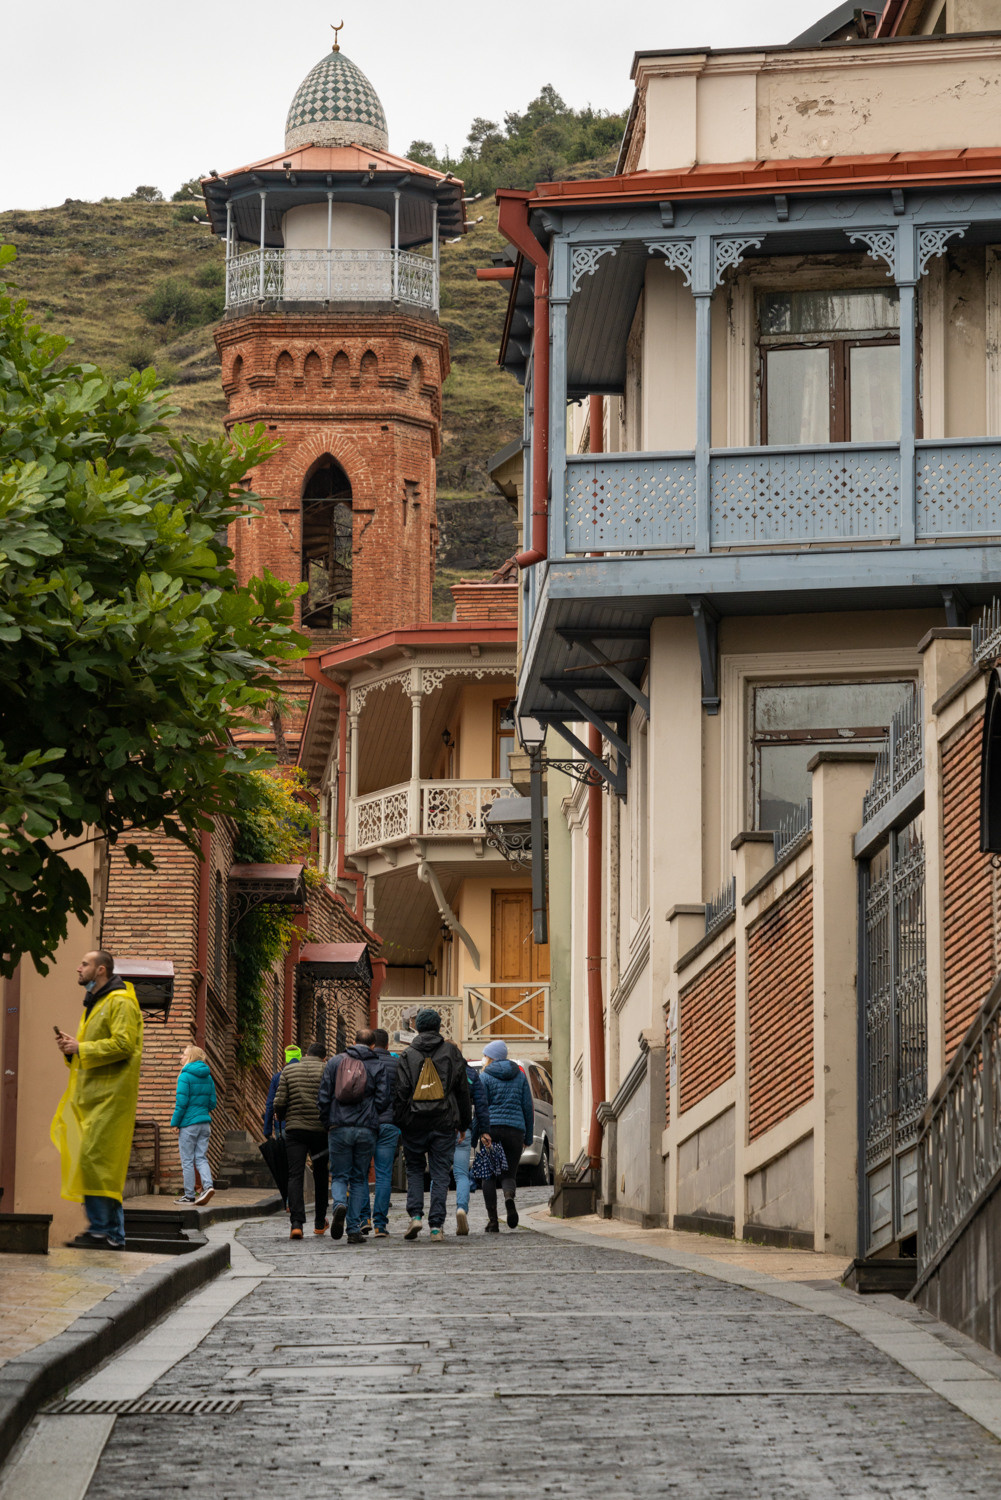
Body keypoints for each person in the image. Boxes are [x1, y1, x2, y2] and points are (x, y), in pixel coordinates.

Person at [50, 950, 143, 1251]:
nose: (78, 968)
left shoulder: (120, 1003)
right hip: (92, 1097)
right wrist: (71, 1050)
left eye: (84, 964)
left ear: (101, 970)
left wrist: (81, 1047)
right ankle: (108, 1233)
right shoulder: (97, 1004)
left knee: (98, 1161)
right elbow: (89, 1052)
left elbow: (124, 1045)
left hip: (110, 1097)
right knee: (92, 1162)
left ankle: (105, 1232)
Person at [393, 1007, 471, 1243]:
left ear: (417, 1027)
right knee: (440, 1175)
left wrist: (401, 1122)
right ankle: (436, 1226)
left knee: (415, 1170)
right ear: (438, 1027)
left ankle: (415, 1215)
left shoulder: (408, 1055)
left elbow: (400, 1092)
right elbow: (462, 1090)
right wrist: (463, 1123)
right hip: (443, 1122)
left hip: (414, 1123)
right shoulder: (451, 1052)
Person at [318, 1028, 389, 1246]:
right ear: (372, 1044)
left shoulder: (335, 1062)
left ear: (354, 1041)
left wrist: (327, 1121)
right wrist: (371, 1114)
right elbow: (383, 1099)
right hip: (366, 1129)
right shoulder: (377, 1064)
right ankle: (354, 1229)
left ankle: (340, 1203)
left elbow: (323, 1095)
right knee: (359, 1178)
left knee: (339, 1175)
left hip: (339, 1126)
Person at [274, 1040, 329, 1241]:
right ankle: (320, 1222)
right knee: (321, 1174)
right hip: (320, 1130)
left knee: (294, 1174)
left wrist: (281, 1115)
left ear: (306, 1055)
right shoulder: (327, 1069)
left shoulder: (289, 1071)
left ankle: (296, 1224)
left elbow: (279, 1101)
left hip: (295, 1129)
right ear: (324, 1058)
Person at [479, 1040, 533, 1232]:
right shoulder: (519, 1075)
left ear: (491, 1057)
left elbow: (481, 1107)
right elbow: (528, 1107)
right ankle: (509, 1197)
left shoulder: (485, 1076)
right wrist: (528, 1137)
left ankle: (493, 1221)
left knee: (489, 1176)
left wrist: (480, 1131)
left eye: (485, 1055)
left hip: (492, 1129)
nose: (484, 1058)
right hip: (515, 1131)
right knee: (509, 1173)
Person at [170, 1044, 217, 1207]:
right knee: (201, 1157)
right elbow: (213, 1103)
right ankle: (208, 1186)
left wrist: (175, 1123)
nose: (180, 1057)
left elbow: (181, 1102)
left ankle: (189, 1195)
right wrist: (201, 1109)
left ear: (191, 1057)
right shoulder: (208, 1077)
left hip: (189, 1124)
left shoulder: (185, 1075)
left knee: (188, 1160)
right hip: (205, 1124)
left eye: (183, 1054)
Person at [367, 1028, 401, 1238]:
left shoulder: (362, 1064)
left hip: (365, 1124)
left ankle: (363, 1219)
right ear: (387, 1045)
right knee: (383, 1175)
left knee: (360, 1174)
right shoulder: (397, 1065)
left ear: (371, 1045)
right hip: (389, 1124)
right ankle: (380, 1224)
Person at [453, 1059, 491, 1237]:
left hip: (440, 1129)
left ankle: (436, 1221)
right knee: (461, 1174)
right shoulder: (470, 1074)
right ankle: (461, 1209)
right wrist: (484, 1130)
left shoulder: (436, 1068)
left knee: (438, 1174)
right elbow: (481, 1105)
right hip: (463, 1129)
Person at [264, 1045, 301, 1139]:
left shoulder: (277, 1078)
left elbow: (270, 1104)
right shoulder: (306, 1076)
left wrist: (267, 1130)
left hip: (282, 1125)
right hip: (302, 1125)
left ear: (286, 1059)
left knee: (283, 1152)